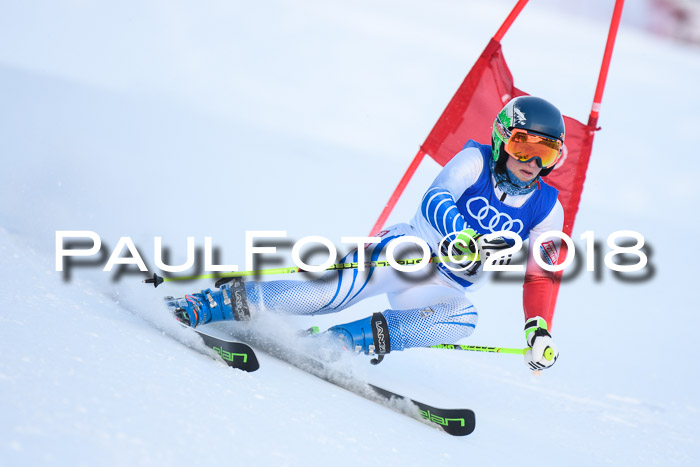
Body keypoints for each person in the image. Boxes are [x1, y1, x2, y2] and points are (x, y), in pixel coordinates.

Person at [168, 96, 565, 371]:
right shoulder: (475, 160)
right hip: (407, 250)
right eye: (522, 144)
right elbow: (435, 198)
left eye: (545, 153)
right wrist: (462, 237)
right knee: (326, 295)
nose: (531, 160)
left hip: (444, 283)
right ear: (501, 139)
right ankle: (208, 301)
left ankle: (337, 344)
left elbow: (540, 273)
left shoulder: (548, 208)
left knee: (461, 317)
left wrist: (538, 329)